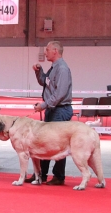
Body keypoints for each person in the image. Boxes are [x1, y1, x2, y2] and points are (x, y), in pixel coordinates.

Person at [25, 41, 73, 186]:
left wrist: (44, 105)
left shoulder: (62, 69)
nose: (44, 52)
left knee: (59, 144)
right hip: (53, 109)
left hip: (60, 110)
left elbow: (59, 94)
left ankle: (58, 176)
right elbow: (44, 82)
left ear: (55, 51)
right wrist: (38, 71)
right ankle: (41, 175)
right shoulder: (54, 68)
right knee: (45, 143)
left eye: (47, 50)